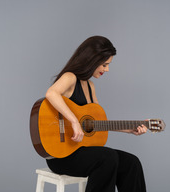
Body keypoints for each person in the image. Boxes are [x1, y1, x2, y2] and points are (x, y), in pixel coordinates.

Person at [45, 36, 147, 192]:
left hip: (82, 150)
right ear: (92, 59)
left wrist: (128, 128)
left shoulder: (90, 86)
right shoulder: (70, 77)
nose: (107, 69)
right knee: (107, 157)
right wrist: (73, 121)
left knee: (131, 162)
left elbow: (97, 123)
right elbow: (51, 94)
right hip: (62, 155)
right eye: (104, 64)